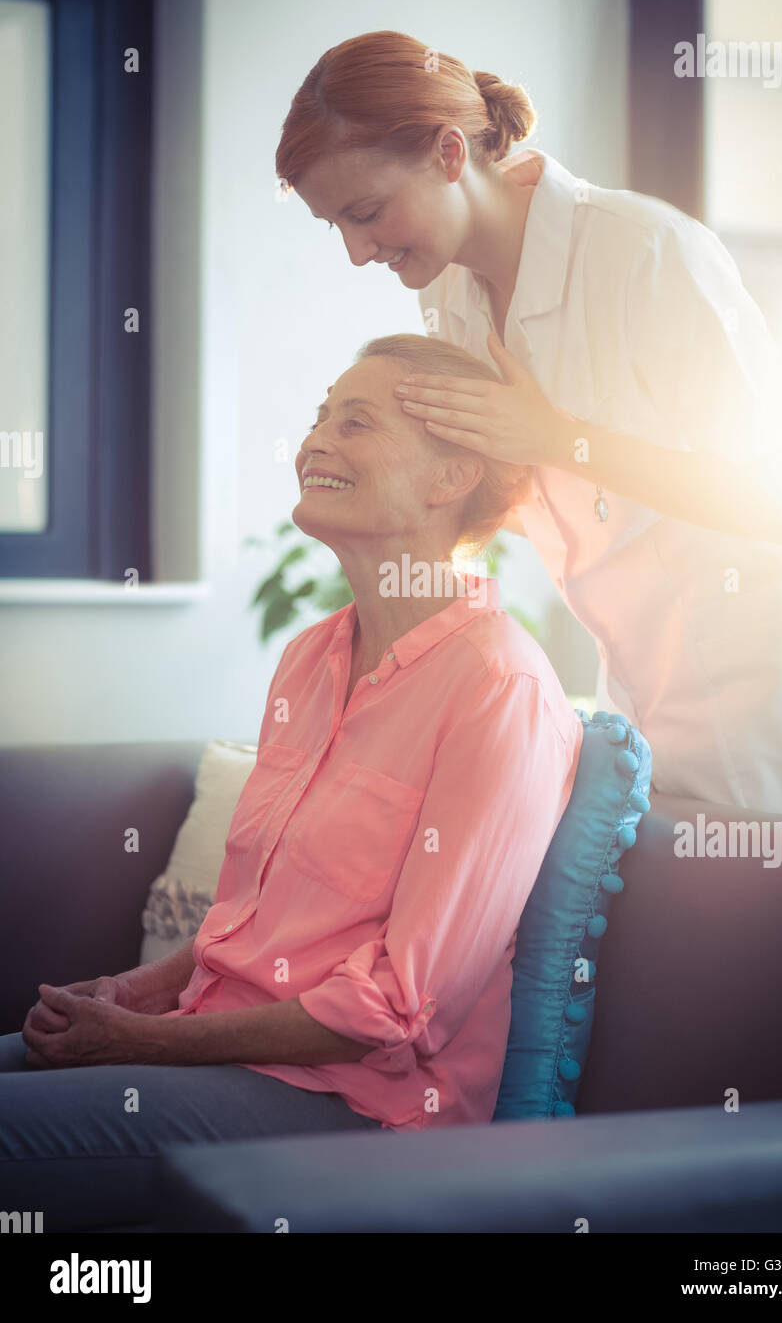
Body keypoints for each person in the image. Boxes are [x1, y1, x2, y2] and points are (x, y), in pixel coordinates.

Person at [0, 334, 581, 1231]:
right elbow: (256, 922)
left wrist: (149, 1044)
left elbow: (401, 1008)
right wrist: (134, 993)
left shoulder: (501, 688)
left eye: (355, 421)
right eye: (317, 417)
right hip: (218, 1054)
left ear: (448, 479)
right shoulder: (313, 657)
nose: (314, 441)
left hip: (358, 1109)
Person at [277, 30, 782, 823]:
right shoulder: (447, 295)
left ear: (451, 152)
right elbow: (523, 503)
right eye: (335, 226)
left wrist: (558, 437)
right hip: (646, 703)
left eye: (367, 212)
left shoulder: (648, 254)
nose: (355, 252)